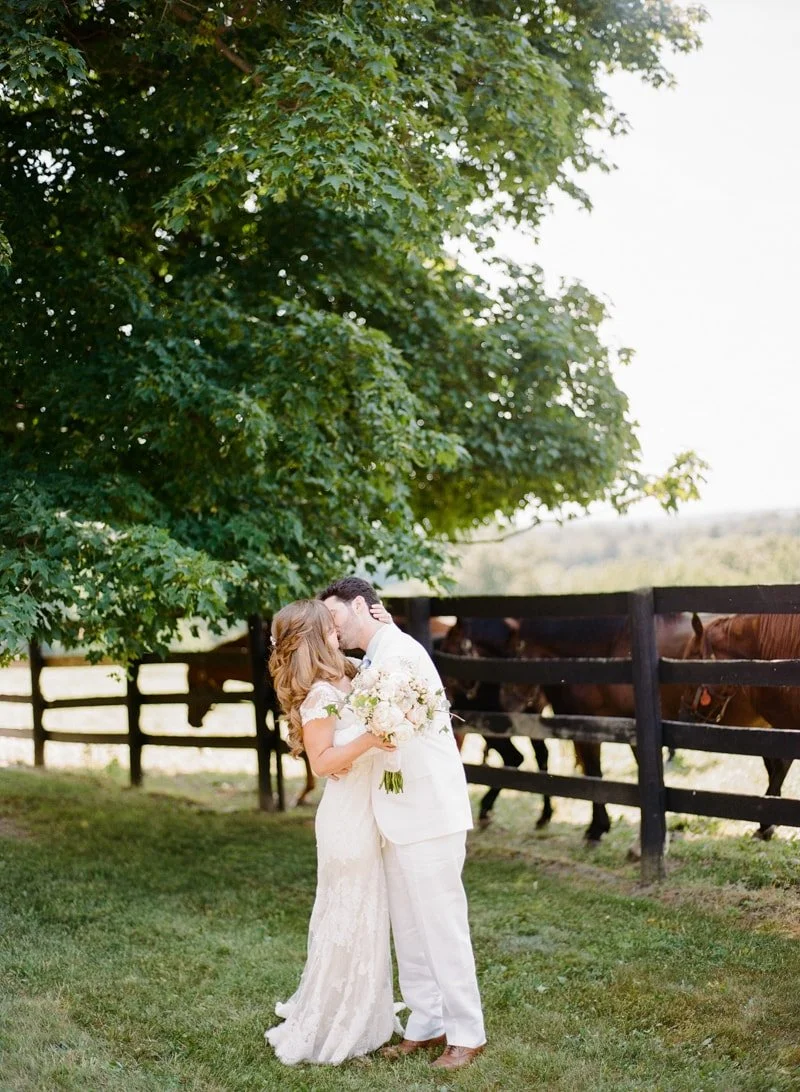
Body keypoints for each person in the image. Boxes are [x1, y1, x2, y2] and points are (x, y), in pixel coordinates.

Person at [320, 576, 487, 1071]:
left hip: (428, 810)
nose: (332, 627)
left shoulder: (401, 654)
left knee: (441, 925)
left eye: (334, 616)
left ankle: (467, 1032)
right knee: (409, 928)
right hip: (393, 812)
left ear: (361, 606)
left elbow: (387, 728)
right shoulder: (374, 659)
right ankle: (426, 1023)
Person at [263, 598, 400, 1065]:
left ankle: (367, 1015)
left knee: (369, 914)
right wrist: (370, 739)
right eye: (329, 626)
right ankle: (335, 1021)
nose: (337, 630)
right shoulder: (319, 694)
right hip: (346, 819)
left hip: (370, 809)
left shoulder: (353, 675)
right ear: (314, 637)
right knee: (348, 917)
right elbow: (321, 763)